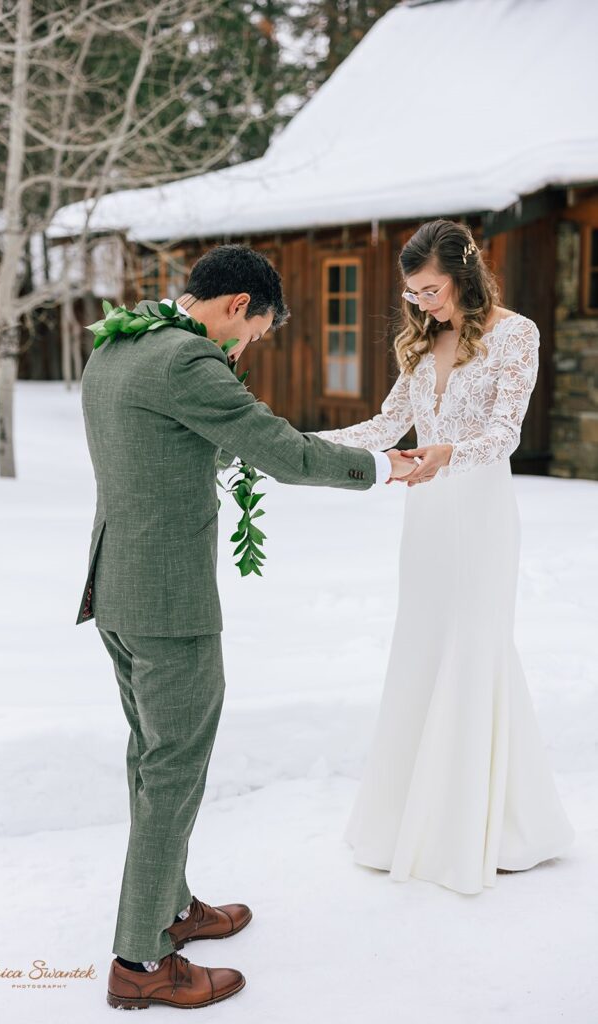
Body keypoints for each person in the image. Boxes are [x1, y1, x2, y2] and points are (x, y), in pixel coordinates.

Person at [74, 244, 414, 1010]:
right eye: (255, 333)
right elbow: (281, 453)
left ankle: (169, 906)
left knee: (151, 757)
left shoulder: (118, 347)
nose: (248, 348)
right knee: (173, 770)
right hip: (168, 604)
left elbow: (161, 452)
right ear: (236, 306)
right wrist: (386, 467)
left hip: (117, 588)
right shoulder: (188, 363)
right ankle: (140, 959)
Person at [315, 218, 575, 895]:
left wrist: (447, 454)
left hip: (479, 508)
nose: (421, 304)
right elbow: (383, 424)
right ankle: (413, 818)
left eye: (428, 290)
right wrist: (296, 444)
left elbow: (504, 434)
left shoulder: (514, 335)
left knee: (472, 646)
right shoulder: (420, 341)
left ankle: (483, 825)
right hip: (425, 517)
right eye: (411, 294)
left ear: (461, 274)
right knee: (423, 648)